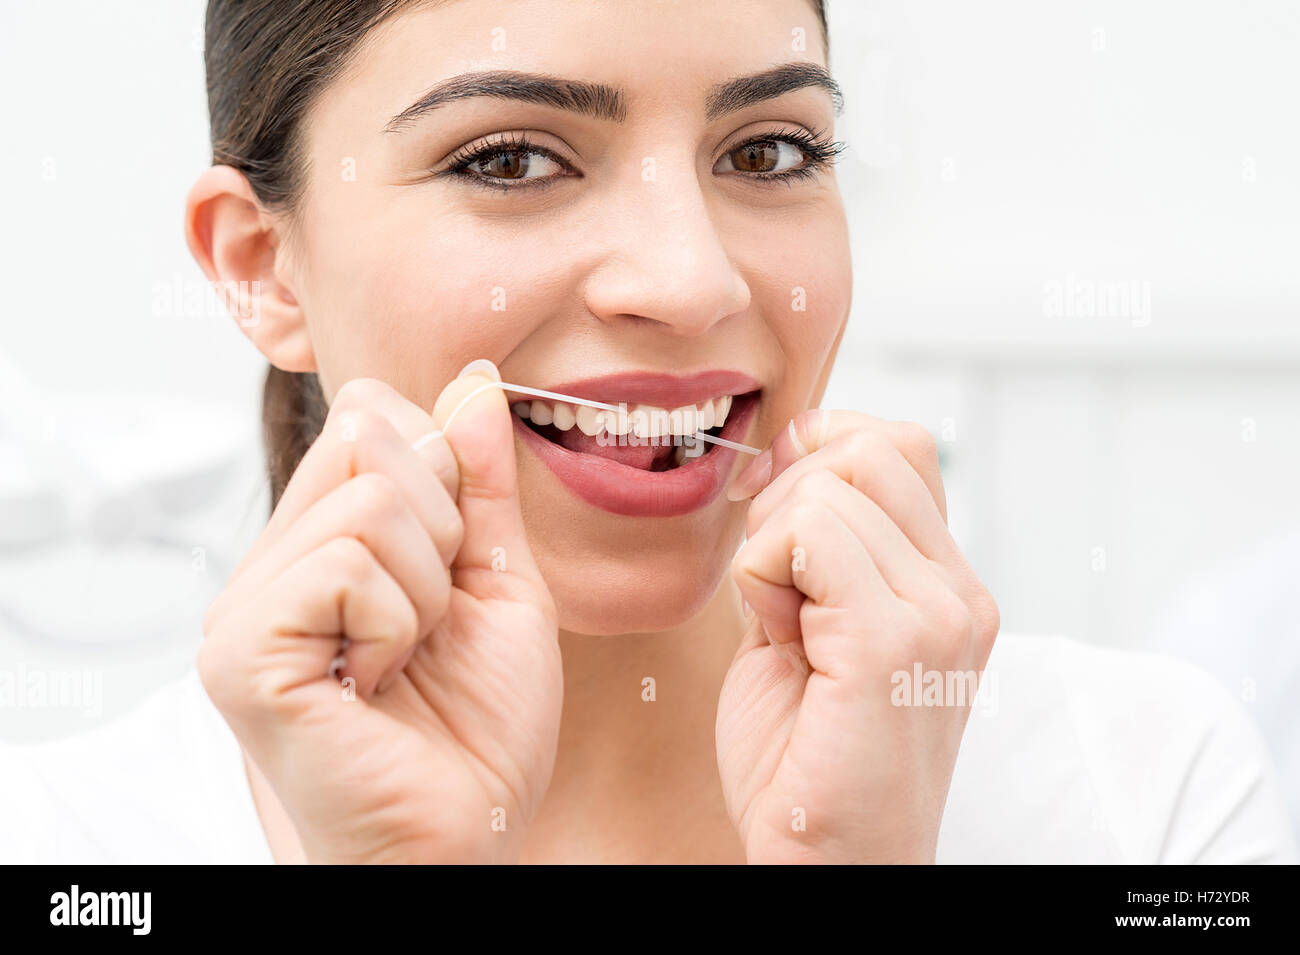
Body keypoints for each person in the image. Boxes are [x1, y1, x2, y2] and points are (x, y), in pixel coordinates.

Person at [1, 0, 1293, 864]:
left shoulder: (1151, 787)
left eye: (771, 151)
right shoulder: (64, 847)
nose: (693, 281)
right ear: (264, 268)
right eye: (510, 159)